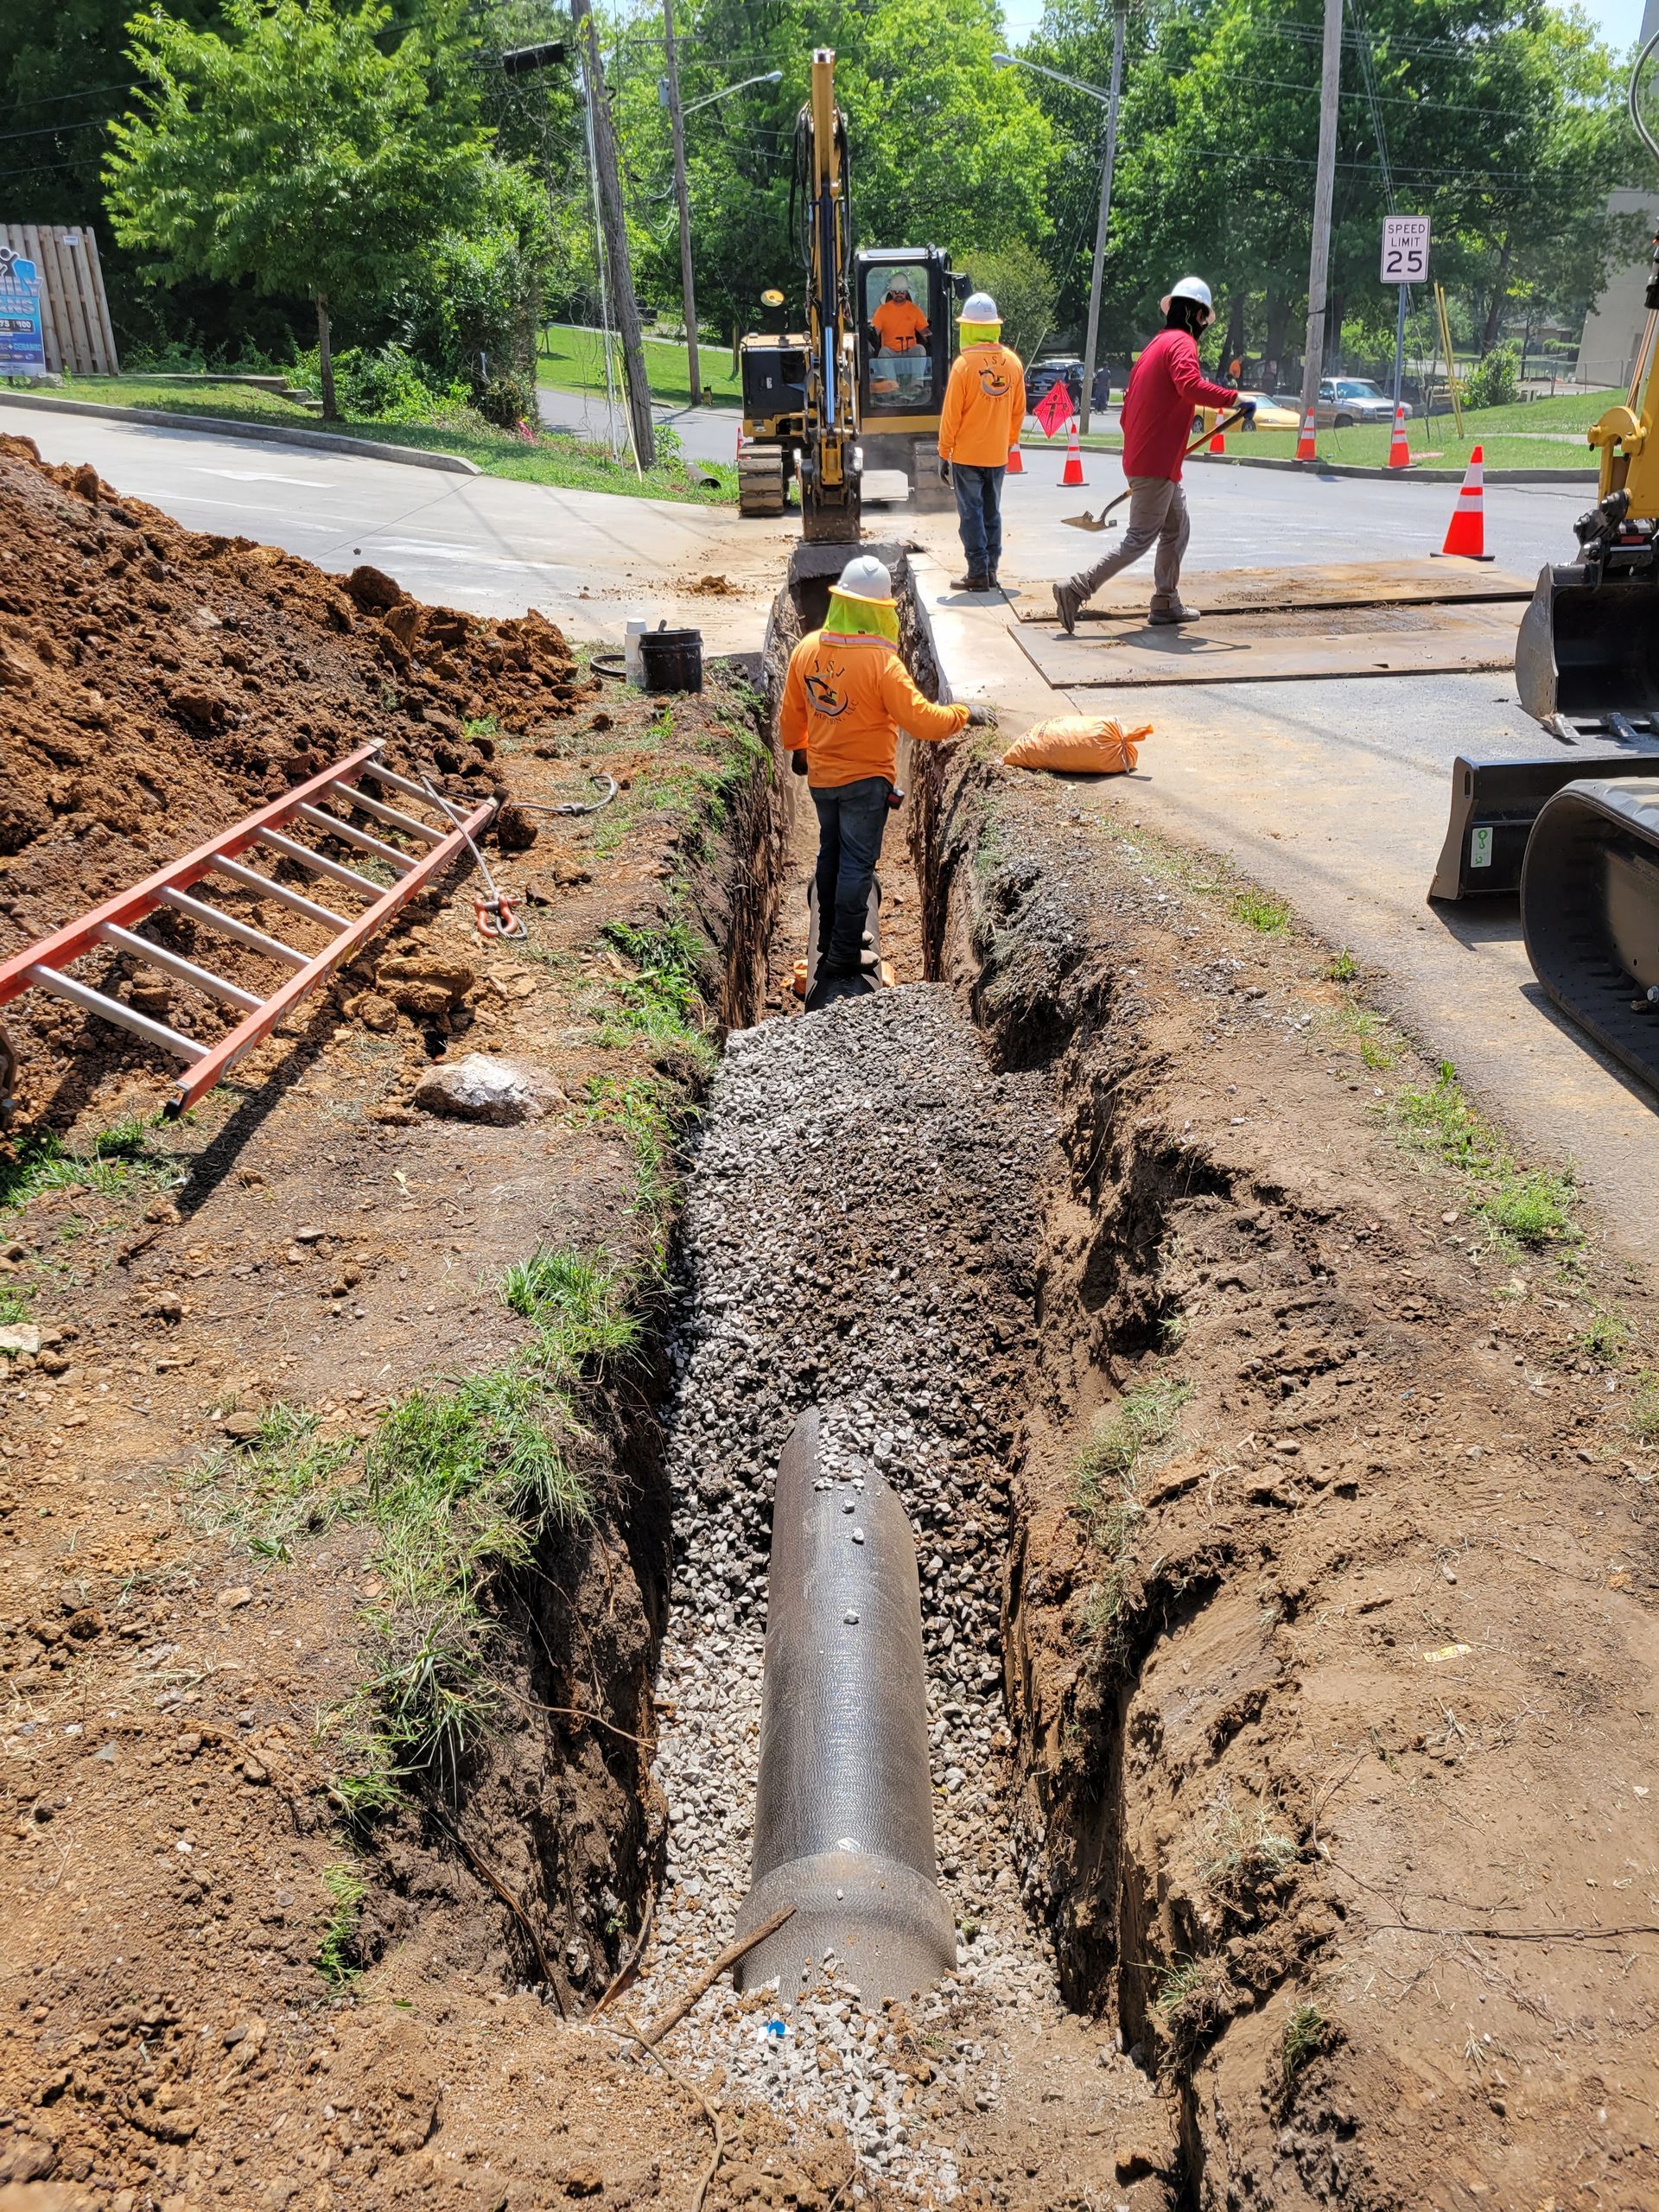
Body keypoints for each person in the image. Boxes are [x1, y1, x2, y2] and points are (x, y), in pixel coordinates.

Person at [779, 556, 983, 997]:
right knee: (857, 863)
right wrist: (963, 714)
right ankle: (844, 954)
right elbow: (924, 721)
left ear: (841, 603)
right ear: (880, 611)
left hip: (823, 778)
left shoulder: (808, 649)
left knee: (830, 854)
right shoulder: (882, 663)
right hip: (867, 782)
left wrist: (799, 748)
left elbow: (792, 715)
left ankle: (834, 935)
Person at [1052, 276, 1253, 635]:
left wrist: (1148, 451)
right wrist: (1233, 398)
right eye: (1204, 318)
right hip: (1156, 465)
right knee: (1140, 538)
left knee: (1177, 528)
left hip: (1154, 462)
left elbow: (1127, 414)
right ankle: (1076, 589)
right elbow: (1188, 386)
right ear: (1194, 313)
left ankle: (1165, 602)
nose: (1204, 326)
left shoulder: (1155, 347)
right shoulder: (1181, 344)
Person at [938, 289, 1026, 595]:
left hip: (967, 456)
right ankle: (990, 571)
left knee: (971, 512)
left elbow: (952, 415)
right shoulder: (1013, 364)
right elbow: (1018, 410)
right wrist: (1008, 442)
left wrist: (943, 451)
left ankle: (976, 571)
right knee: (992, 511)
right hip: (996, 456)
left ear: (969, 329)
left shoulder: (963, 366)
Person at [870, 276, 930, 394]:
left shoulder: (914, 310)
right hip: (891, 355)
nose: (899, 294)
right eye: (896, 292)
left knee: (920, 349)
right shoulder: (882, 311)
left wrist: (933, 339)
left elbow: (925, 332)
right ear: (891, 292)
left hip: (910, 354)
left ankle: (917, 385)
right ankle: (892, 386)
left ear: (906, 291)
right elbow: (874, 333)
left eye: (902, 292)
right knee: (883, 352)